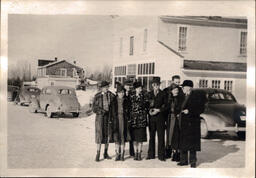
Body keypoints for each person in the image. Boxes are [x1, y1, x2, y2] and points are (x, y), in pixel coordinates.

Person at [178, 80, 206, 168]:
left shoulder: (197, 96)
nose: (182, 88)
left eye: (184, 87)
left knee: (192, 143)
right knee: (183, 142)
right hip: (183, 122)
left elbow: (201, 109)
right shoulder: (182, 96)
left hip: (193, 123)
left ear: (189, 87)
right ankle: (183, 160)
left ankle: (193, 161)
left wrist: (189, 111)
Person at [92, 81, 115, 162]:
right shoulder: (97, 96)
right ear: (101, 88)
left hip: (108, 118)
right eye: (105, 87)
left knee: (107, 135)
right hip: (100, 119)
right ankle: (98, 154)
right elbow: (94, 108)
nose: (106, 88)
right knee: (99, 135)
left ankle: (105, 153)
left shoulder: (111, 95)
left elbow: (114, 106)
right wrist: (101, 111)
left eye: (107, 87)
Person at [146, 77, 168, 161]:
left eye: (157, 84)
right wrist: (149, 111)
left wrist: (159, 110)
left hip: (160, 118)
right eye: (154, 84)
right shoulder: (149, 94)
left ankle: (161, 155)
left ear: (159, 85)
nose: (156, 86)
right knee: (151, 137)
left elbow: (166, 106)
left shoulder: (163, 94)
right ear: (152, 85)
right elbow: (146, 105)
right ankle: (151, 154)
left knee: (161, 136)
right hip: (152, 118)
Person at [110, 85, 131, 161]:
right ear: (117, 93)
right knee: (116, 137)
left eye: (122, 92)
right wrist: (111, 120)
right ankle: (117, 154)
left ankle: (122, 154)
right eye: (120, 92)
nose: (121, 94)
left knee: (122, 137)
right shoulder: (113, 101)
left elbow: (129, 111)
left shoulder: (126, 100)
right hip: (116, 120)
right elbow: (111, 112)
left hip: (124, 120)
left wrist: (128, 119)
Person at [129, 81, 149, 161]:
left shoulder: (144, 96)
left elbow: (147, 106)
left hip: (141, 120)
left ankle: (139, 153)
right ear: (135, 89)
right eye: (138, 88)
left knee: (140, 138)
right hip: (134, 120)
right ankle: (135, 153)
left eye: (140, 88)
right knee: (134, 139)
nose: (140, 89)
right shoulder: (131, 97)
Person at [163, 74, 181, 159]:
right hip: (169, 116)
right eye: (176, 82)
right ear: (172, 81)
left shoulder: (180, 91)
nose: (177, 83)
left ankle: (176, 152)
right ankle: (168, 150)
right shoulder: (166, 91)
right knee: (169, 134)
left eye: (178, 82)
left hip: (177, 116)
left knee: (176, 134)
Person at [123, 79, 135, 157]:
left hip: (131, 116)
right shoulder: (121, 93)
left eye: (129, 86)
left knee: (131, 134)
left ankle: (132, 150)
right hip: (123, 116)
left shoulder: (132, 94)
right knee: (123, 134)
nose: (128, 87)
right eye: (127, 85)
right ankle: (122, 151)